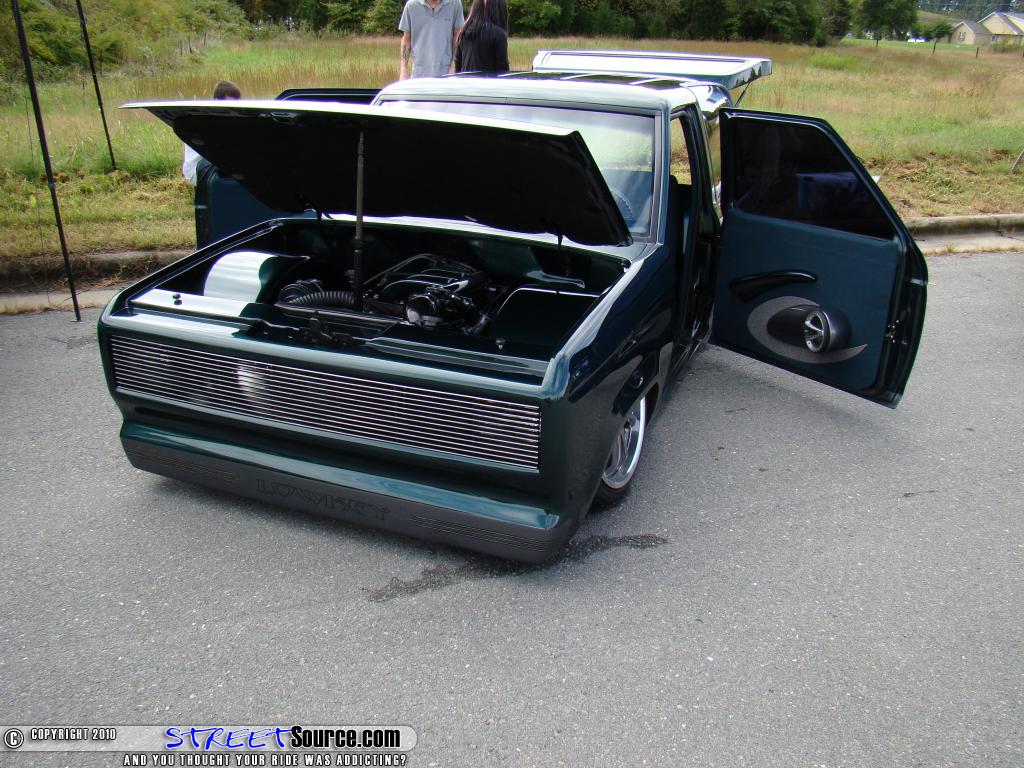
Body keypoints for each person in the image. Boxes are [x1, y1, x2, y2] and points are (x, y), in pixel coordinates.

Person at [182, 80, 241, 186]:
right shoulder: (205, 119)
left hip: (211, 163)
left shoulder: (225, 118)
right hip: (198, 168)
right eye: (230, 104)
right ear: (217, 101)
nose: (233, 109)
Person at [398, 0, 464, 80]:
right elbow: (406, 40)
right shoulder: (411, 6)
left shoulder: (455, 4)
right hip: (419, 74)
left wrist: (454, 66)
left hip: (447, 74)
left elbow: (458, 37)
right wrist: (403, 70)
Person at [455, 0, 509, 74]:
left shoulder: (464, 32)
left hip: (466, 80)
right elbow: (503, 70)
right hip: (488, 80)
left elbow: (458, 65)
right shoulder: (499, 35)